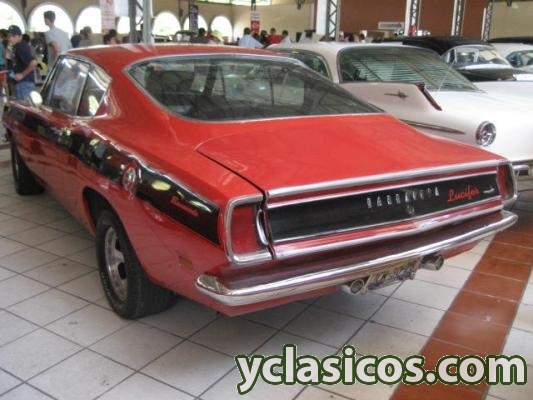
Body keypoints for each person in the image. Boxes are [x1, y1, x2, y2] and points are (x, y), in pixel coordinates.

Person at [7, 25, 37, 100]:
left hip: (24, 83)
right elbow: (7, 57)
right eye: (9, 36)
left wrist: (22, 74)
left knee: (24, 105)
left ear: (19, 36)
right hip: (20, 83)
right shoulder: (16, 46)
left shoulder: (21, 46)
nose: (10, 39)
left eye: (13, 36)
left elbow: (34, 62)